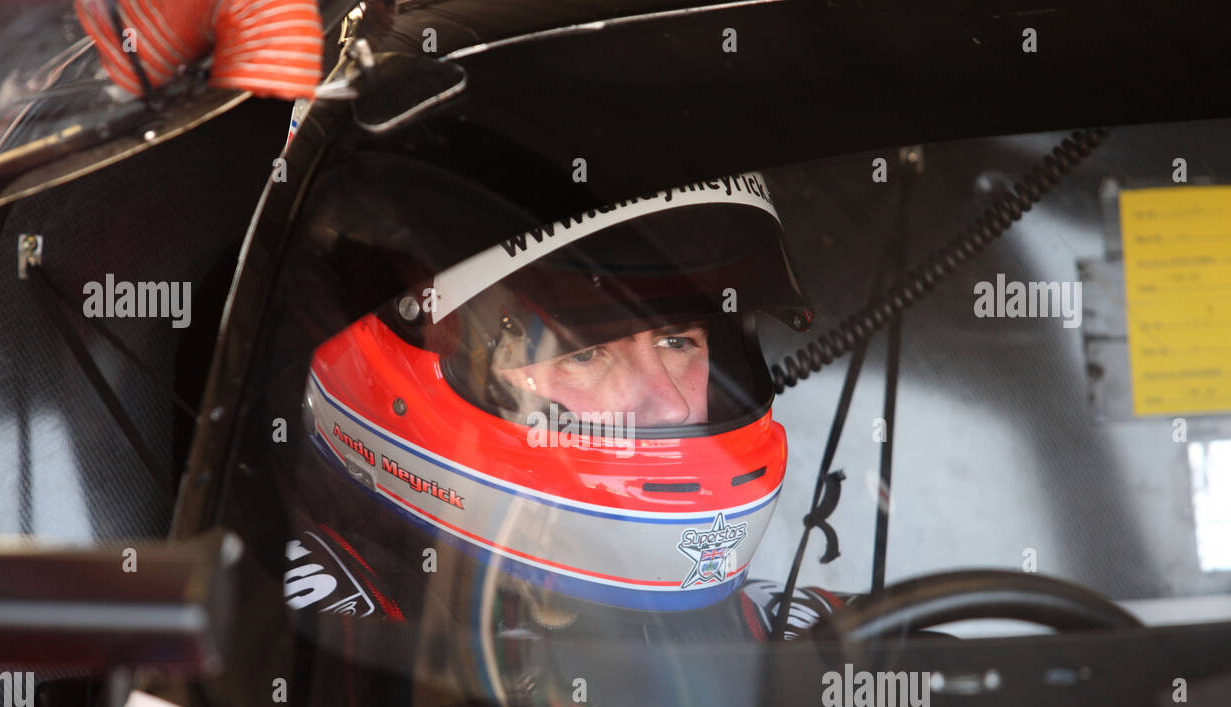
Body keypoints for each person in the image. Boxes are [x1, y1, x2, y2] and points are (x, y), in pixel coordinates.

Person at [282, 169, 853, 645]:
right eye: (585, 354)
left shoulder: (793, 641)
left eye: (678, 342)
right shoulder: (310, 644)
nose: (673, 405)